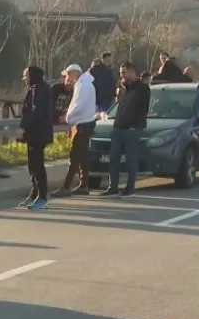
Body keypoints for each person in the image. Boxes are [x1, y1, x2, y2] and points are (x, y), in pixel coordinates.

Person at [103, 62, 150, 197]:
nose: (121, 75)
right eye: (120, 73)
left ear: (131, 72)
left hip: (132, 130)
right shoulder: (125, 89)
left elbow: (143, 109)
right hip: (118, 128)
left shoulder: (142, 88)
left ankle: (130, 188)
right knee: (114, 158)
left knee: (131, 159)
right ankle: (113, 187)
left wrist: (134, 125)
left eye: (123, 73)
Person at [53, 64, 97, 197]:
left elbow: (78, 105)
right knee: (82, 156)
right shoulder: (85, 83)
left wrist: (69, 117)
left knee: (75, 155)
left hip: (82, 124)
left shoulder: (83, 85)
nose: (68, 78)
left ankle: (66, 186)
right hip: (85, 123)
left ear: (74, 73)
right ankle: (84, 185)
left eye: (68, 75)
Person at [18, 65, 54, 210]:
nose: (24, 78)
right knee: (32, 165)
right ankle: (34, 193)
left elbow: (35, 113)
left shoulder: (40, 91)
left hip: (38, 133)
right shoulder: (36, 89)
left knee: (37, 166)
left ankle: (43, 196)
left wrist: (24, 127)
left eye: (26, 75)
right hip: (34, 133)